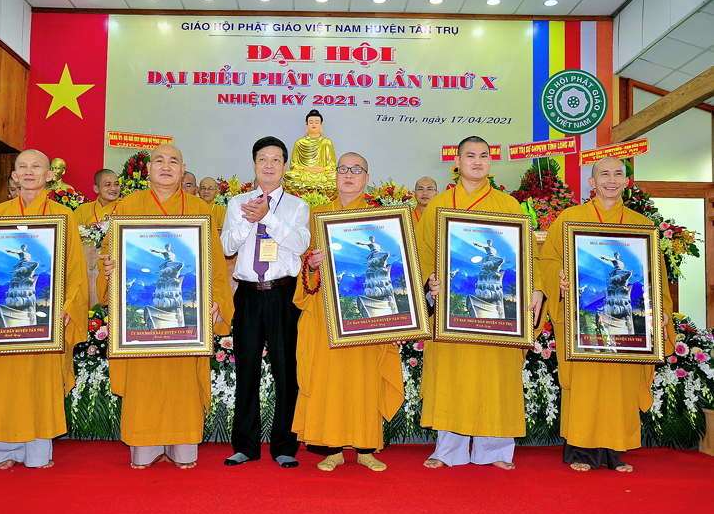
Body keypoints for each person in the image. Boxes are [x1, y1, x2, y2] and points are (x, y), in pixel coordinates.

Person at [97, 143, 234, 469]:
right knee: (144, 381)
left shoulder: (199, 208)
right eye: (159, 160)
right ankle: (144, 448)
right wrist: (109, 267)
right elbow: (109, 252)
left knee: (182, 382)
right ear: (148, 169)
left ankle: (183, 447)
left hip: (185, 319)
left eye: (174, 161)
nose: (166, 166)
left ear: (182, 169)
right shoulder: (129, 206)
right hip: (145, 316)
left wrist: (216, 300)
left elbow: (215, 266)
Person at [0, 149, 88, 469]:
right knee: (4, 383)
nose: (29, 171)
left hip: (44, 318)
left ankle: (37, 453)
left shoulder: (63, 216)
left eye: (36, 166)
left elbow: (75, 269)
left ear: (49, 175)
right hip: (6, 315)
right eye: (23, 167)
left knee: (40, 382)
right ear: (14, 176)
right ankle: (2, 452)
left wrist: (68, 306)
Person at [539, 156, 675, 473]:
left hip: (625, 317)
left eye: (617, 174)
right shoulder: (570, 219)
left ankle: (615, 451)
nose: (611, 180)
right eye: (604, 174)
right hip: (583, 319)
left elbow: (656, 274)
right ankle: (581, 450)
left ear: (626, 181)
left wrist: (661, 311)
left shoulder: (641, 226)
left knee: (620, 383)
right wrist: (560, 276)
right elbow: (548, 260)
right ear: (592, 182)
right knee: (586, 383)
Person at [416, 136, 544, 470]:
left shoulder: (508, 205)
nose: (477, 161)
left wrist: (536, 289)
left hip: (498, 310)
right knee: (451, 376)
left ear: (490, 161)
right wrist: (430, 280)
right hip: (452, 310)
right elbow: (423, 253)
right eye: (470, 155)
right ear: (457, 162)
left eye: (484, 155)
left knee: (496, 378)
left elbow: (528, 254)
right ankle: (447, 451)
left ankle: (495, 450)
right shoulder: (439, 205)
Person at [292, 152, 404, 472]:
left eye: (356, 170)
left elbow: (397, 267)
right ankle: (333, 449)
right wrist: (311, 265)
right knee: (330, 380)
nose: (349, 175)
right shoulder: (317, 216)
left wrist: (399, 321)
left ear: (366, 178)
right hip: (326, 315)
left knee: (364, 379)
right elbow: (303, 268)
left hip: (366, 314)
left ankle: (366, 448)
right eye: (343, 169)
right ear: (335, 175)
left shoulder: (381, 220)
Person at [220, 136, 311, 468]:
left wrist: (268, 217)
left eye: (275, 159)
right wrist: (249, 220)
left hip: (282, 294)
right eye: (262, 159)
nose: (269, 165)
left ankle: (284, 446)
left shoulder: (298, 206)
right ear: (255, 164)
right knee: (246, 370)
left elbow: (300, 244)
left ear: (285, 165)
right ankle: (245, 446)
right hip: (247, 294)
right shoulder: (236, 203)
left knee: (287, 371)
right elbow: (226, 246)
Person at [282, 109, 337, 198]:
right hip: (304, 174)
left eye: (316, 122)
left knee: (334, 176)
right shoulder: (299, 142)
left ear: (321, 125)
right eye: (311, 122)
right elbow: (293, 165)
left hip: (322, 175)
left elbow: (333, 166)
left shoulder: (327, 143)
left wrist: (321, 169)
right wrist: (305, 168)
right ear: (306, 125)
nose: (314, 124)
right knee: (289, 175)